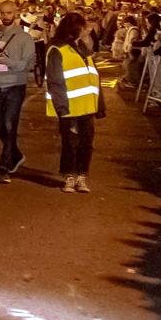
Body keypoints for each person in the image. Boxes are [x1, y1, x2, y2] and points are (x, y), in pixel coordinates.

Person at [44, 11, 103, 192]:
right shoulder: (57, 50)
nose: (87, 30)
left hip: (87, 106)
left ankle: (81, 175)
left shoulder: (82, 48)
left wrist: (99, 106)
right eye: (84, 27)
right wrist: (62, 109)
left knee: (86, 143)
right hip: (69, 107)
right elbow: (55, 81)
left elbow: (93, 77)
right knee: (70, 142)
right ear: (75, 29)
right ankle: (69, 176)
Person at [0, 1, 36, 183]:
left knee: (10, 124)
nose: (5, 16)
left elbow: (28, 64)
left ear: (16, 13)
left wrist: (8, 62)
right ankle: (16, 154)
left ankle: (4, 167)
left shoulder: (25, 38)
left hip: (15, 85)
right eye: (2, 13)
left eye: (9, 13)